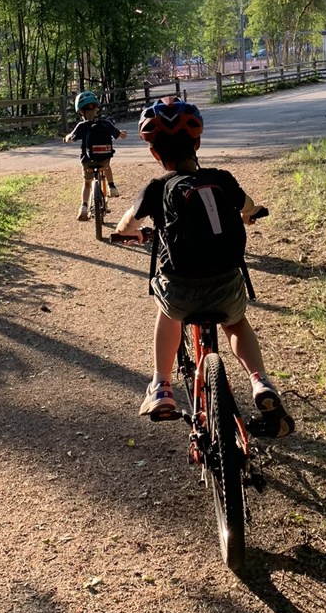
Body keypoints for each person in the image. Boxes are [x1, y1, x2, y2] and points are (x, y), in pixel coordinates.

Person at [113, 98, 293, 437]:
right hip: (226, 284)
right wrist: (248, 215)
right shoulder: (222, 178)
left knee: (167, 311)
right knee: (236, 323)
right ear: (196, 143)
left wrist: (134, 234)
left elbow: (125, 226)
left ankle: (161, 387)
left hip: (181, 289)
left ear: (155, 153)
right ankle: (260, 383)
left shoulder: (157, 187)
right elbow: (249, 206)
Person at [64, 90, 127, 222]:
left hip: (87, 161)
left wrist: (66, 138)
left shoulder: (81, 126)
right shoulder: (106, 123)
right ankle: (112, 187)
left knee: (87, 183)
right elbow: (119, 135)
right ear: (97, 109)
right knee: (107, 165)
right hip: (104, 159)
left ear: (80, 112)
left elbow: (71, 138)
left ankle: (84, 207)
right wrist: (122, 134)